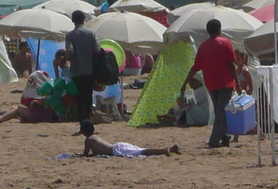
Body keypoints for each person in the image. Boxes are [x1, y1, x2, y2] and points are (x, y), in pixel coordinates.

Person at [182, 19, 242, 148]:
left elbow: (195, 67)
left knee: (219, 111)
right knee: (221, 112)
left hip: (211, 83)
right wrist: (237, 82)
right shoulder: (226, 43)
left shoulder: (203, 46)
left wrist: (185, 82)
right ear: (220, 29)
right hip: (225, 83)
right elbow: (231, 65)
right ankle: (214, 141)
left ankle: (224, 138)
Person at [65, 11, 100, 125]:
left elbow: (70, 52)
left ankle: (82, 122)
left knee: (80, 99)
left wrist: (68, 57)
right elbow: (97, 50)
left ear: (72, 20)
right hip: (90, 71)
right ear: (84, 20)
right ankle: (88, 120)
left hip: (77, 71)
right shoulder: (91, 33)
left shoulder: (70, 36)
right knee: (88, 97)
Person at [79, 120, 179, 157]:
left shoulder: (88, 140)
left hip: (116, 150)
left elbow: (85, 154)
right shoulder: (95, 137)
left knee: (141, 152)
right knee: (140, 150)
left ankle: (164, 150)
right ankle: (170, 149)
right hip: (118, 146)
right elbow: (97, 151)